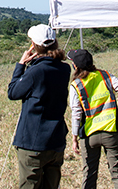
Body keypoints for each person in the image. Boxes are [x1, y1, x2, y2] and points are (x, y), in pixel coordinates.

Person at [8, 24, 72, 189]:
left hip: (33, 143)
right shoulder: (64, 69)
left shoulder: (37, 71)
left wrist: (21, 65)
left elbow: (13, 92)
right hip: (56, 140)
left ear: (34, 46)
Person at [67, 49, 118, 189]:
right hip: (112, 131)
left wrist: (74, 137)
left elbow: (76, 113)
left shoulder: (76, 85)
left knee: (89, 174)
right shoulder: (105, 76)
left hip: (89, 135)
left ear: (76, 66)